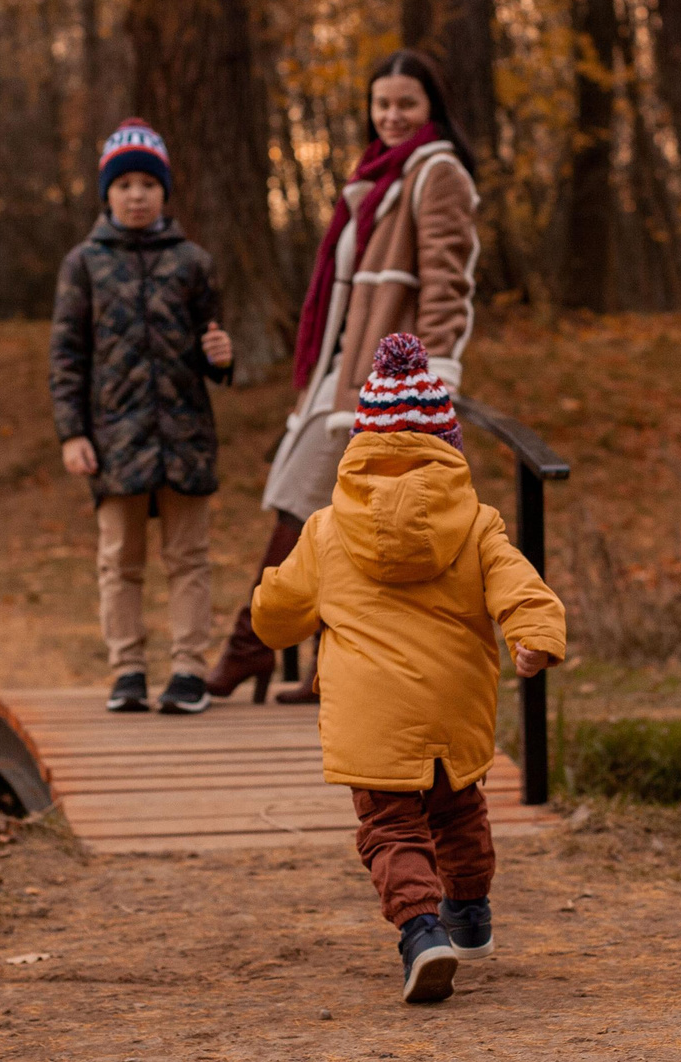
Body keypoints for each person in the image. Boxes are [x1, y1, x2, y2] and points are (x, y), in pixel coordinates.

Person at [251, 334, 565, 1004]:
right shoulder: (478, 523)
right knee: (458, 813)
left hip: (371, 717)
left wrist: (266, 614)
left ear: (362, 443)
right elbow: (521, 586)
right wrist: (533, 637)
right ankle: (471, 913)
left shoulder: (328, 529)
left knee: (391, 827)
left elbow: (278, 614)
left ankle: (423, 932)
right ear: (447, 445)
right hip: (454, 708)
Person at [206, 49, 482, 704]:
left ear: (431, 109)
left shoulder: (435, 173)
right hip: (342, 374)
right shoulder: (374, 178)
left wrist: (435, 372)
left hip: (389, 383)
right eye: (381, 103)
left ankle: (252, 645)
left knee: (306, 508)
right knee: (326, 516)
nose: (392, 115)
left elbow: (448, 279)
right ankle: (317, 660)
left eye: (406, 103)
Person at [49, 118, 236, 716]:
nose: (136, 194)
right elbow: (66, 354)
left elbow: (214, 348)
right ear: (107, 192)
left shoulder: (192, 263)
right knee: (119, 559)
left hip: (184, 436)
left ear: (164, 191)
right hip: (113, 437)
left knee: (188, 557)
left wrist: (223, 359)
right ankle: (127, 670)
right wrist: (73, 432)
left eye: (147, 184)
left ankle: (187, 669)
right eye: (124, 183)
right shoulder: (84, 264)